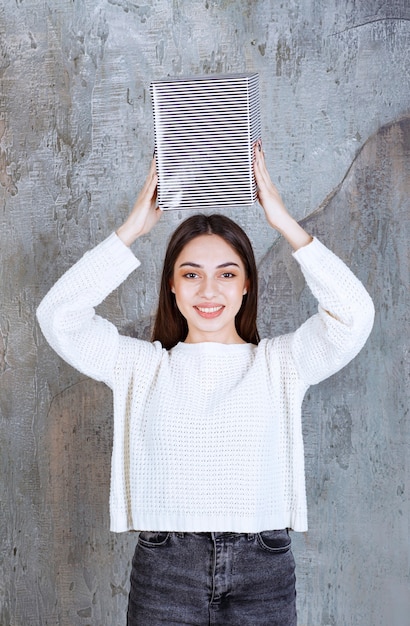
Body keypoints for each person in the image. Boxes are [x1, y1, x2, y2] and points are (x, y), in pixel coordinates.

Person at [36, 141, 375, 625]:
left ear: (246, 285)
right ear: (172, 285)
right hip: (166, 567)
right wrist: (133, 228)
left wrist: (281, 220)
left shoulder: (281, 364)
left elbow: (355, 316)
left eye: (227, 274)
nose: (209, 291)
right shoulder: (142, 367)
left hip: (264, 567)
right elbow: (58, 316)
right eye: (191, 274)